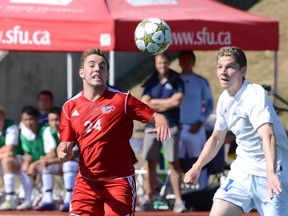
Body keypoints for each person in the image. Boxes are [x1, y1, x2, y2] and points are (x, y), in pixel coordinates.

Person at [56, 47, 171, 216]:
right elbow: (64, 149)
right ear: (81, 72)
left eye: (102, 66)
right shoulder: (69, 107)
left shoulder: (122, 101)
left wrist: (162, 123)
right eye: (92, 65)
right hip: (86, 183)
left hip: (119, 181)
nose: (97, 69)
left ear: (107, 75)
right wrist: (62, 153)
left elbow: (157, 117)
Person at [184, 46, 288, 216]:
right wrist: (197, 167)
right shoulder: (225, 99)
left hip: (272, 173)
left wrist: (271, 173)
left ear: (242, 71)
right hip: (242, 172)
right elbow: (217, 138)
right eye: (219, 66)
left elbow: (268, 135)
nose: (223, 72)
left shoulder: (255, 95)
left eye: (230, 67)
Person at [139, 52, 187, 213]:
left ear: (169, 63)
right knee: (150, 163)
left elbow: (177, 101)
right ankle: (149, 198)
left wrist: (155, 104)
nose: (162, 66)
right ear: (155, 64)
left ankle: (179, 200)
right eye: (159, 63)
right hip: (151, 128)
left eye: (165, 63)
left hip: (171, 126)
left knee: (174, 163)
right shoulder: (151, 80)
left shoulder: (176, 79)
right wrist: (165, 104)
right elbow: (144, 103)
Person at [178, 50, 214, 189]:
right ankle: (181, 191)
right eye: (183, 60)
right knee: (178, 162)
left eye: (189, 60)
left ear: (193, 63)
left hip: (196, 128)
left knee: (199, 159)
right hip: (179, 128)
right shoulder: (173, 81)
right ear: (180, 63)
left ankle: (203, 188)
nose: (186, 63)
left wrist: (200, 122)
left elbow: (210, 105)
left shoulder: (201, 82)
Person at [38, 106, 78, 212]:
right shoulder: (47, 131)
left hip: (77, 164)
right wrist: (44, 161)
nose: (54, 123)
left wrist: (50, 160)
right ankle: (48, 199)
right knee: (46, 166)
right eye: (51, 120)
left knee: (68, 165)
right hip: (61, 160)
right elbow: (50, 153)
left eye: (57, 119)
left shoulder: (71, 129)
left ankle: (69, 199)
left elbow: (73, 154)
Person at [16, 105, 47, 210]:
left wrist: (34, 164)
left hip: (49, 162)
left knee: (44, 168)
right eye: (25, 120)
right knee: (24, 167)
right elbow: (27, 153)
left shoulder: (45, 130)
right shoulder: (24, 132)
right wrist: (27, 163)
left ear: (37, 119)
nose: (28, 122)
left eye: (31, 119)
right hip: (37, 161)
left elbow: (50, 154)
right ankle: (27, 199)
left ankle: (47, 198)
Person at [0, 105, 22, 210]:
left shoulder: (11, 126)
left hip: (18, 160)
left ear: (3, 117)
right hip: (1, 159)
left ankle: (10, 197)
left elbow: (9, 148)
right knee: (5, 158)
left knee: (7, 160)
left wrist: (4, 154)